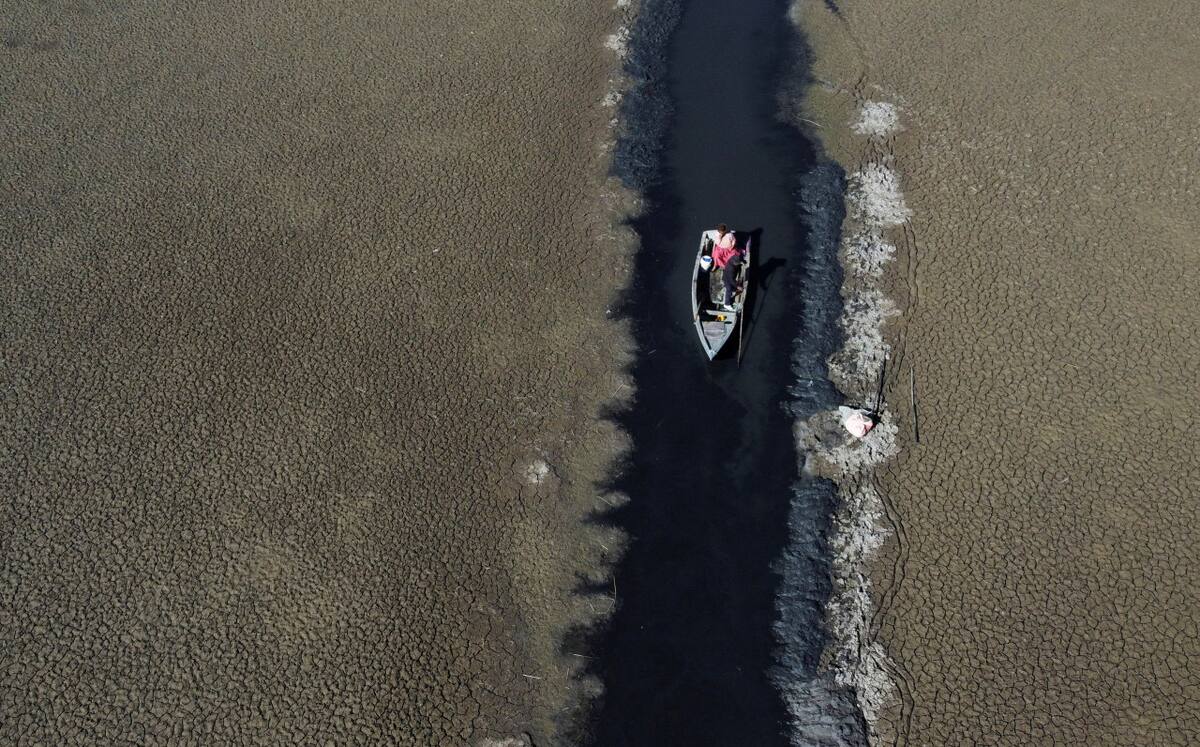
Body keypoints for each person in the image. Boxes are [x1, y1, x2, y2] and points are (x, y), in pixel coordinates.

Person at [704, 223, 743, 309]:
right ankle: (715, 264)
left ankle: (728, 264)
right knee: (717, 255)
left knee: (733, 255)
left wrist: (731, 247)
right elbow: (717, 243)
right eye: (720, 232)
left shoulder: (730, 235)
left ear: (725, 230)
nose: (721, 233)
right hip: (721, 249)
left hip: (729, 249)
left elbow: (733, 242)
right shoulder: (717, 235)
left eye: (722, 232)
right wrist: (720, 237)